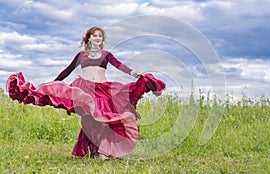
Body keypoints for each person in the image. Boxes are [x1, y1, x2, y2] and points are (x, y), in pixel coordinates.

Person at [6, 26, 166, 160]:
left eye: (100, 36)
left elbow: (119, 65)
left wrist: (135, 73)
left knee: (106, 119)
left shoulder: (106, 55)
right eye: (94, 35)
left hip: (103, 89)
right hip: (85, 89)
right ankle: (95, 151)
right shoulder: (81, 55)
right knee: (91, 120)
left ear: (102, 40)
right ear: (88, 38)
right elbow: (67, 70)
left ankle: (105, 151)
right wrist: (54, 84)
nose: (97, 38)